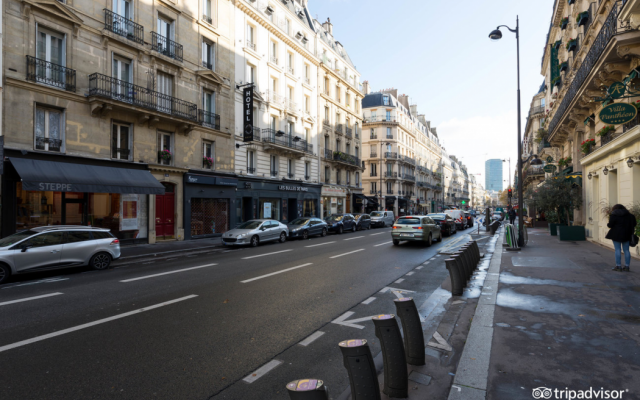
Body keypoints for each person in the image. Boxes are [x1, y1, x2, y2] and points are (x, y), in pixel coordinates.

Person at [605, 204, 637, 272]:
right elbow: (634, 224)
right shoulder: (630, 216)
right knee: (626, 250)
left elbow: (610, 225)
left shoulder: (614, 215)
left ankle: (618, 266)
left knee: (617, 250)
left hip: (616, 234)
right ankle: (627, 266)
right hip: (627, 234)